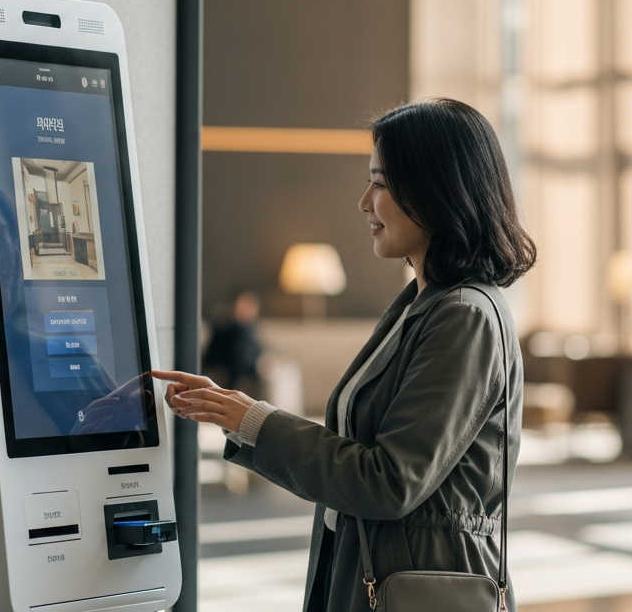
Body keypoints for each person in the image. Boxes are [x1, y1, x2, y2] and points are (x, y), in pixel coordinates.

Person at [153, 98, 535, 612]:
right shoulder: (424, 304)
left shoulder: (464, 316)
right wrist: (241, 416)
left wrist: (254, 421)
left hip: (421, 589)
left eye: (379, 183)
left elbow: (388, 481)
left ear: (434, 189)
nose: (363, 203)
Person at [201, 290, 263, 396]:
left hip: (245, 374)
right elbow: (211, 355)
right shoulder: (222, 329)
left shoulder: (252, 332)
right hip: (226, 371)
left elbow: (256, 354)